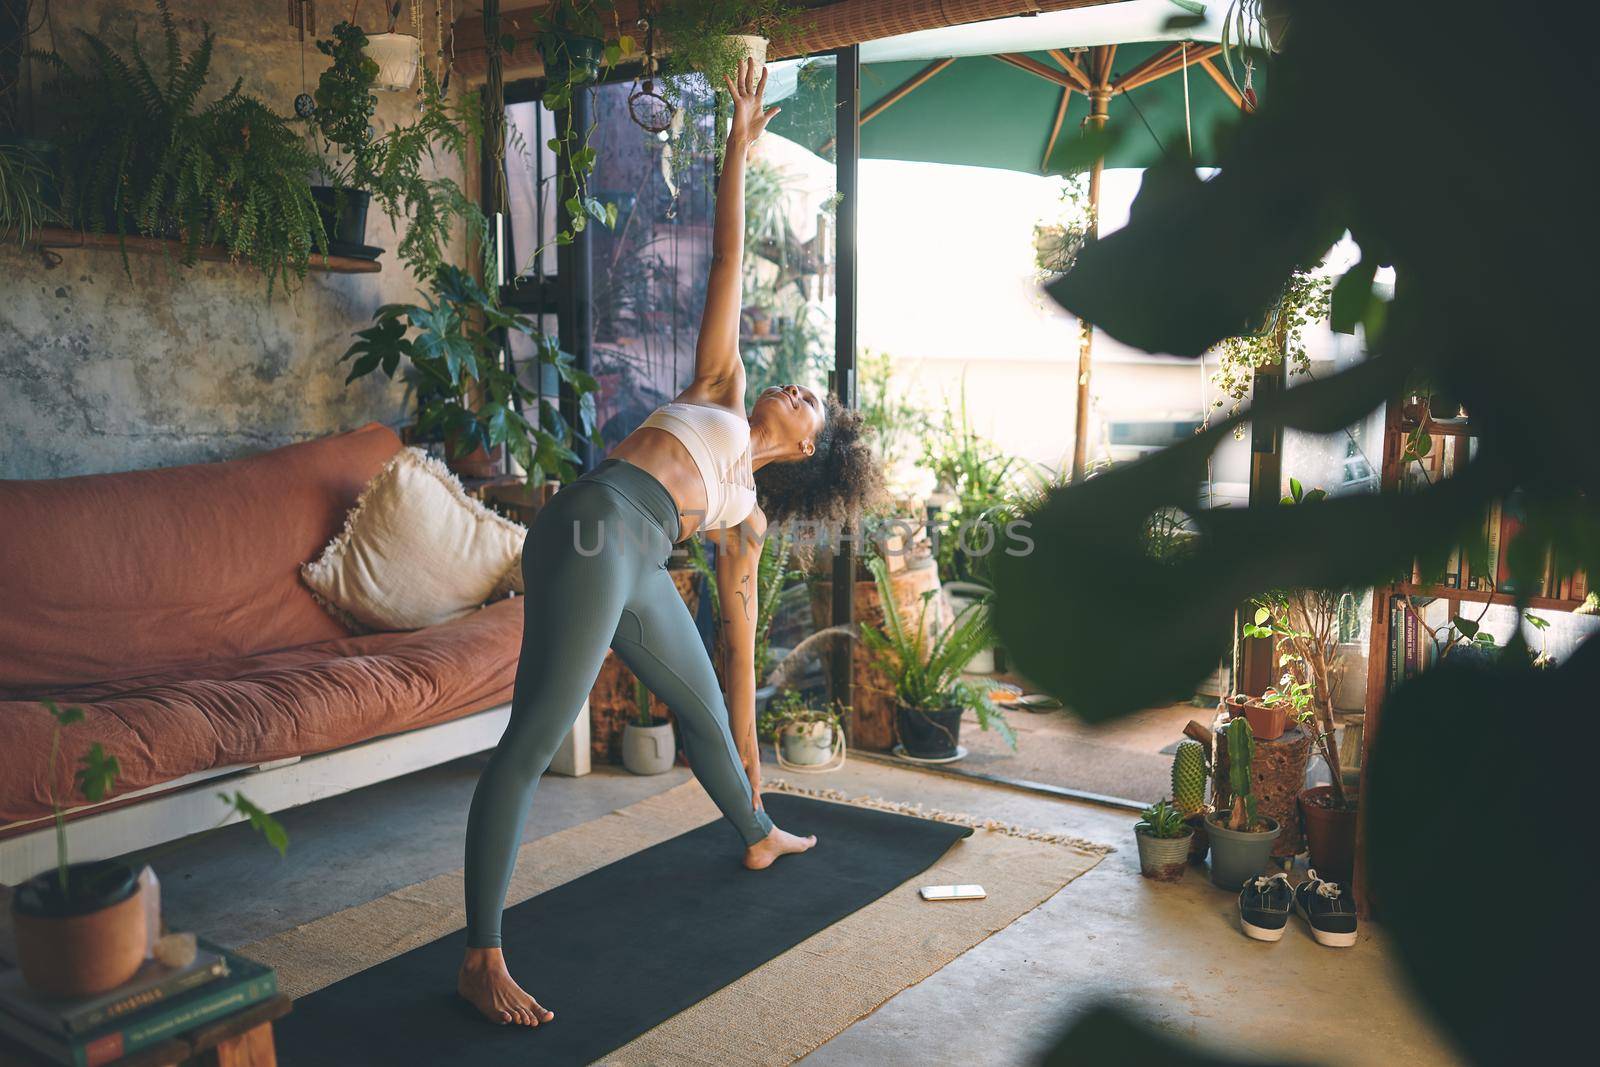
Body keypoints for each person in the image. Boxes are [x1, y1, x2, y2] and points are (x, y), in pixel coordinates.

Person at [457, 58, 884, 1027]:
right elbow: (726, 264)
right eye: (801, 383)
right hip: (592, 523)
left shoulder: (749, 517)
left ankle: (758, 827)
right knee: (529, 739)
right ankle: (480, 952)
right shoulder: (720, 392)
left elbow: (738, 647)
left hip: (636, 557)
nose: (795, 386)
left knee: (693, 696)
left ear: (810, 447)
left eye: (810, 399)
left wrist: (748, 744)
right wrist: (736, 145)